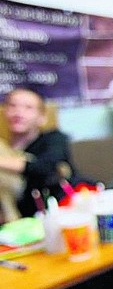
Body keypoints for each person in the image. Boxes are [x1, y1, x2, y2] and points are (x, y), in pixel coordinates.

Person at [0, 88, 79, 219]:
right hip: (24, 224)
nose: (18, 112)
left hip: (70, 210)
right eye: (13, 106)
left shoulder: (54, 139)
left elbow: (46, 167)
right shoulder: (3, 148)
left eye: (28, 108)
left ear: (42, 118)